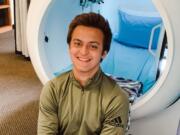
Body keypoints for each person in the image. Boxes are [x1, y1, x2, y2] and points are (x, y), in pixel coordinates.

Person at [38, 12, 129, 135]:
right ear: (69, 47)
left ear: (104, 53)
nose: (84, 51)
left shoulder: (117, 98)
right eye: (78, 43)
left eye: (93, 46)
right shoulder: (52, 89)